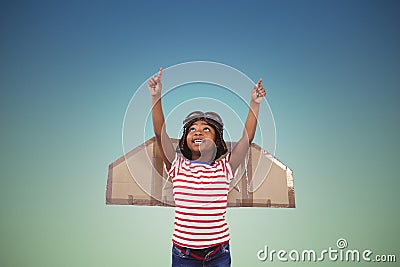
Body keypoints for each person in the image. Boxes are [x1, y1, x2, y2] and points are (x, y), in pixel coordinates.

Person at [148, 67, 266, 267]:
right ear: (185, 140)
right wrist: (156, 96)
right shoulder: (178, 166)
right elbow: (160, 133)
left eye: (206, 129)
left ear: (217, 140)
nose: (198, 132)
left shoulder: (224, 168)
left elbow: (247, 138)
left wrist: (255, 103)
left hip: (218, 253)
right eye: (192, 130)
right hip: (183, 255)